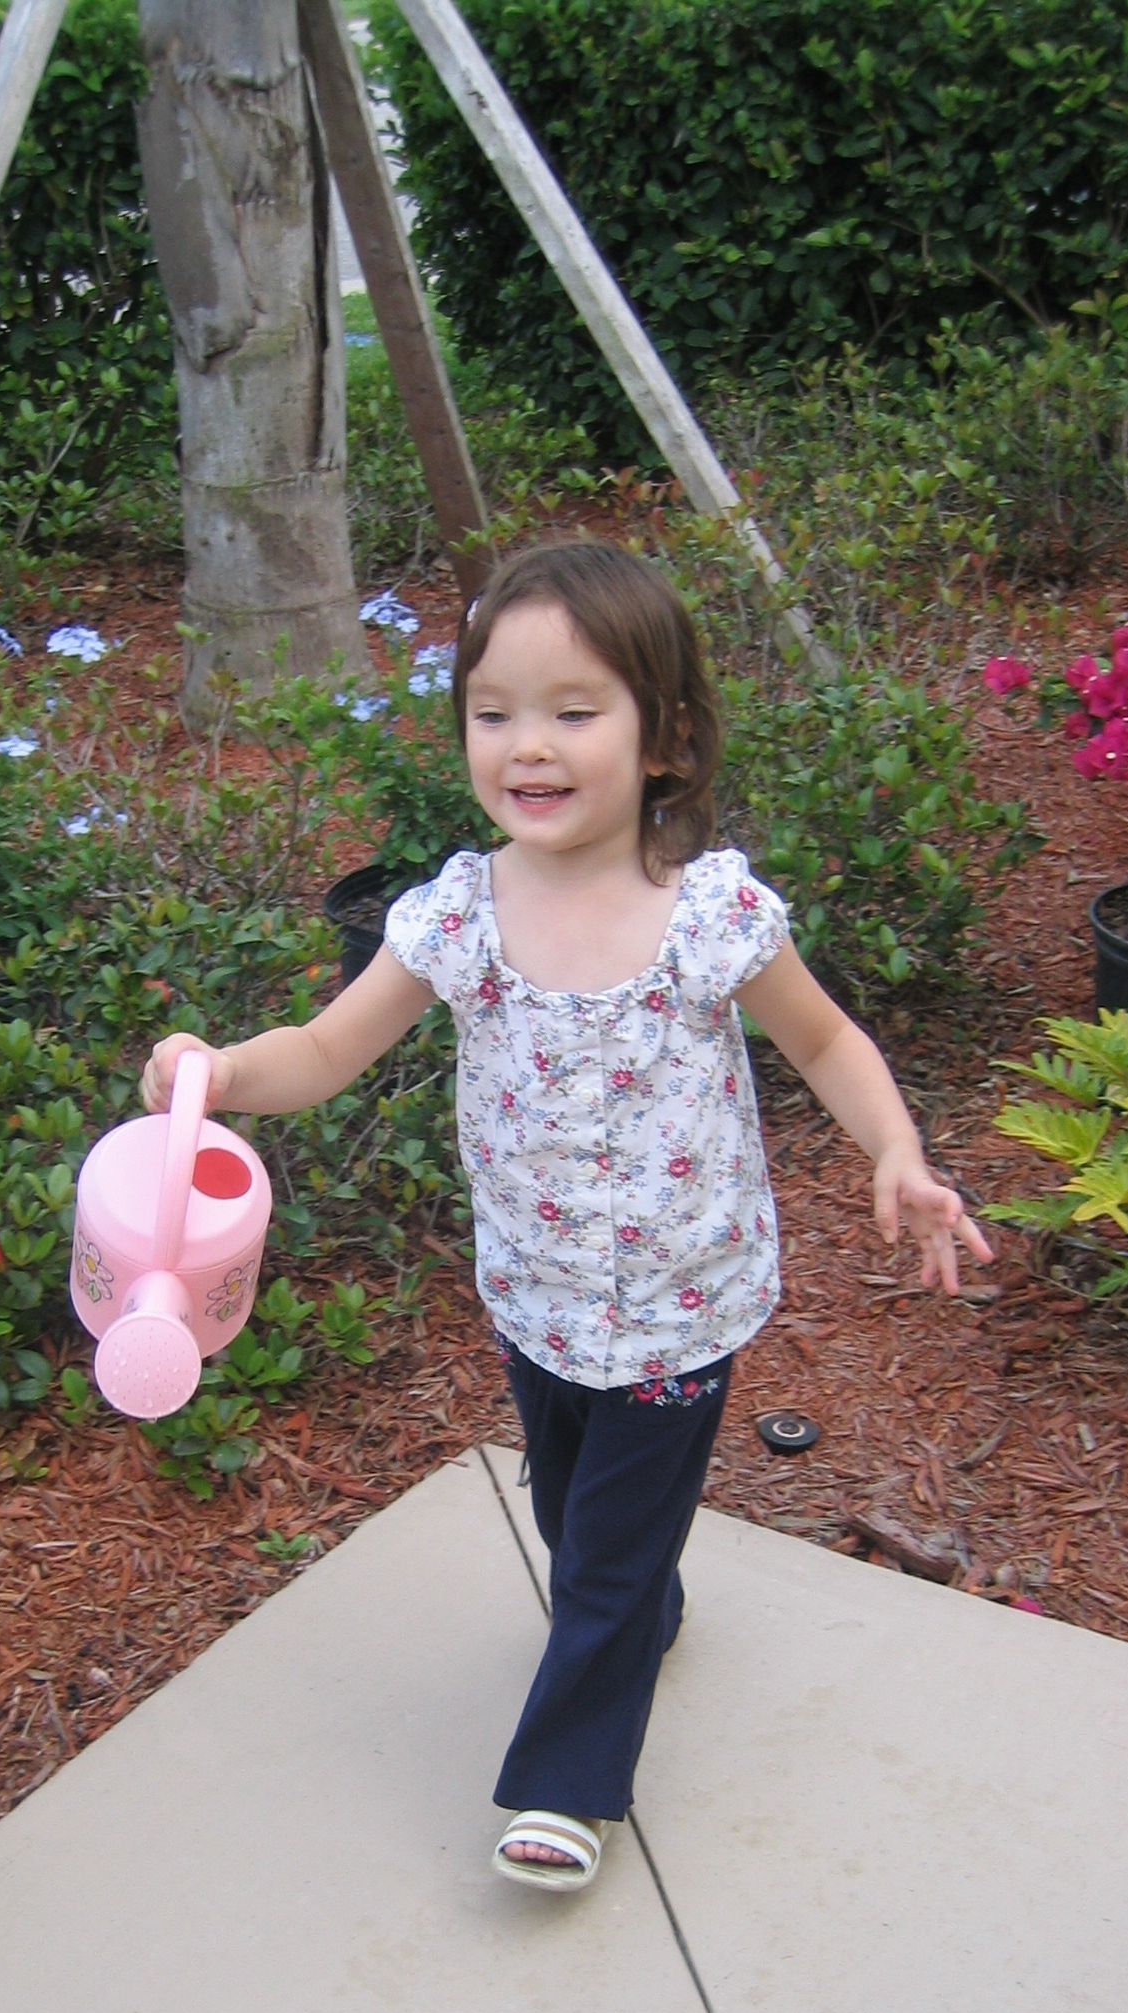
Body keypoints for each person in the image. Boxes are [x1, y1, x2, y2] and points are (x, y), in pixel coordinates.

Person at [143, 540, 988, 1891]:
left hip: (682, 1302)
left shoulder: (710, 916)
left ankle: (566, 1785)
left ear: (669, 739)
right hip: (536, 1292)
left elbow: (826, 1041)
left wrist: (895, 1148)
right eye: (494, 713)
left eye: (574, 711)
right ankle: (645, 1600)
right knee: (565, 1504)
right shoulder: (459, 918)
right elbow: (326, 1048)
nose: (528, 745)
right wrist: (227, 1073)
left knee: (596, 1560)